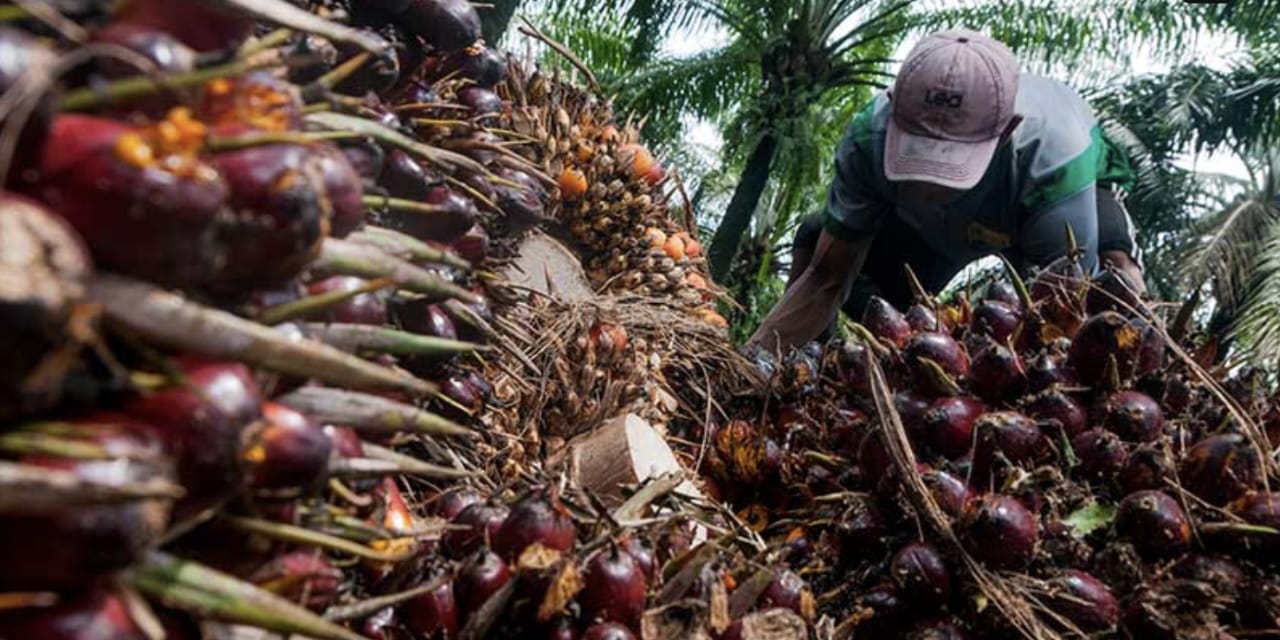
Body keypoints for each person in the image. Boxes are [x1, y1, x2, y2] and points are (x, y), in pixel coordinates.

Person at [747, 29, 1143, 354]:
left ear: (1006, 132)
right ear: (893, 109)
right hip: (934, 236)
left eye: (950, 160)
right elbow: (824, 280)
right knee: (820, 240)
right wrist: (748, 364)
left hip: (1042, 205)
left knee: (1112, 286)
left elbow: (1063, 319)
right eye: (917, 153)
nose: (930, 185)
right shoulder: (868, 138)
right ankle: (816, 371)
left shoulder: (1053, 157)